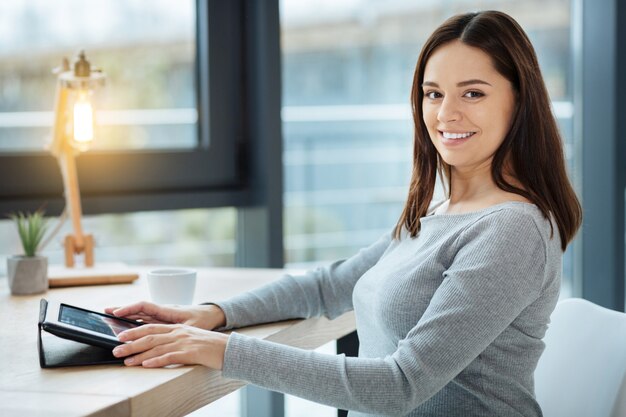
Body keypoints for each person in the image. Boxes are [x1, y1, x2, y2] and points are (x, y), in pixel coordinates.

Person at [106, 10, 582, 417]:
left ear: (520, 101)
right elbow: (329, 284)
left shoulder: (511, 230)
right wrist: (210, 315)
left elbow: (400, 386)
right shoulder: (443, 209)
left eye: (473, 93)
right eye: (433, 94)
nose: (445, 114)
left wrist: (220, 350)